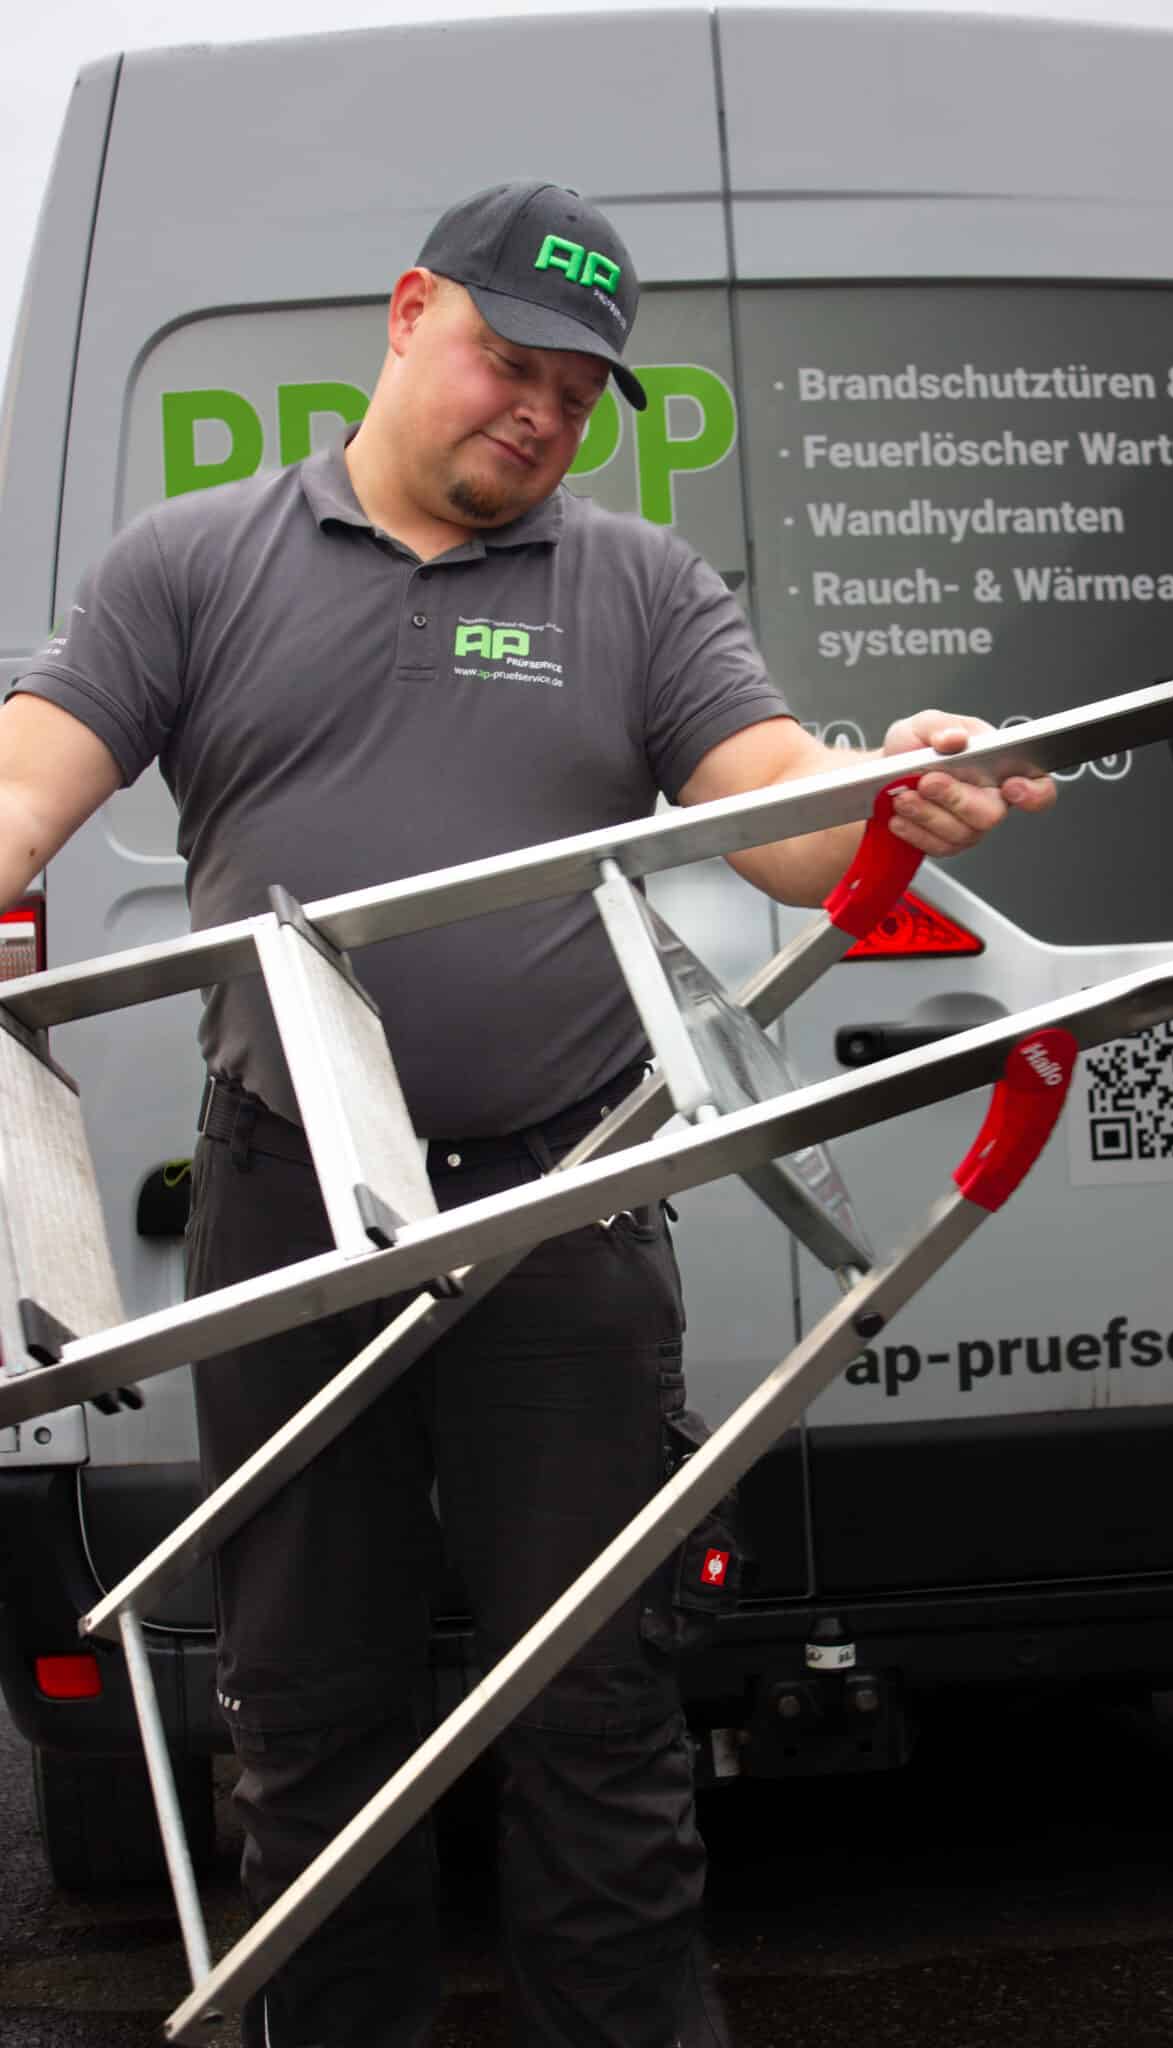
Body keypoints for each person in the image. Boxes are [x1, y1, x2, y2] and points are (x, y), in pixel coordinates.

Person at [0, 182, 1055, 2048]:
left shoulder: (636, 586)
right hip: (290, 1203)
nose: (540, 412)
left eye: (576, 393)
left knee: (594, 1703)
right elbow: (26, 785)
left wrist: (887, 789)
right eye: (511, 360)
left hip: (566, 1202)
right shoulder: (195, 563)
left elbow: (779, 810)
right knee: (305, 1703)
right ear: (410, 313)